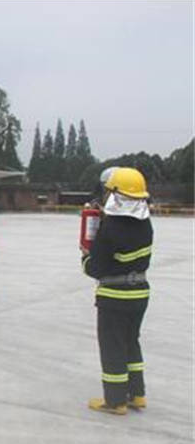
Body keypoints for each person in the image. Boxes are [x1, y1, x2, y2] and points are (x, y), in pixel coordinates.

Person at [82, 167, 153, 415]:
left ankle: (115, 400)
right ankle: (137, 394)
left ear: (115, 195)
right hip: (140, 293)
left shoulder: (110, 227)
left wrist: (85, 257)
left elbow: (96, 268)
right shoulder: (146, 225)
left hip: (114, 296)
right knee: (131, 342)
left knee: (112, 346)